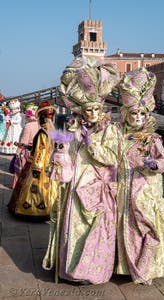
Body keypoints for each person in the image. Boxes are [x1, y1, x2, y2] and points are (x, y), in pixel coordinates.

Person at [42, 57, 121, 285]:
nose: (93, 113)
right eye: (89, 109)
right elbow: (59, 153)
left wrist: (91, 144)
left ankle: (91, 271)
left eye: (97, 109)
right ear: (82, 110)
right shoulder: (70, 127)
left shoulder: (110, 131)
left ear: (102, 108)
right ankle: (71, 269)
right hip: (74, 187)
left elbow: (112, 157)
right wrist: (60, 153)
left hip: (98, 189)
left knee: (94, 232)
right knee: (74, 230)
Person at [116, 68, 164, 284]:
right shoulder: (119, 136)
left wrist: (154, 164)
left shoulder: (152, 139)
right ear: (126, 114)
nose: (138, 118)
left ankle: (144, 268)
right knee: (123, 227)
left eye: (142, 114)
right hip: (122, 188)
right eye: (134, 113)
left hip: (145, 191)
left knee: (145, 227)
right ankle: (124, 266)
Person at [8, 101, 58, 220]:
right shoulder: (51, 132)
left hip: (38, 166)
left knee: (32, 190)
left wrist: (35, 168)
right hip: (48, 164)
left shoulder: (42, 132)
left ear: (41, 118)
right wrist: (25, 146)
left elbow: (39, 152)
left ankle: (32, 211)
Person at [11, 103, 40, 189]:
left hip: (26, 151)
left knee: (20, 170)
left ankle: (18, 187)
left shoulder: (28, 126)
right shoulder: (40, 125)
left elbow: (24, 141)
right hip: (37, 151)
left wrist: (17, 152)